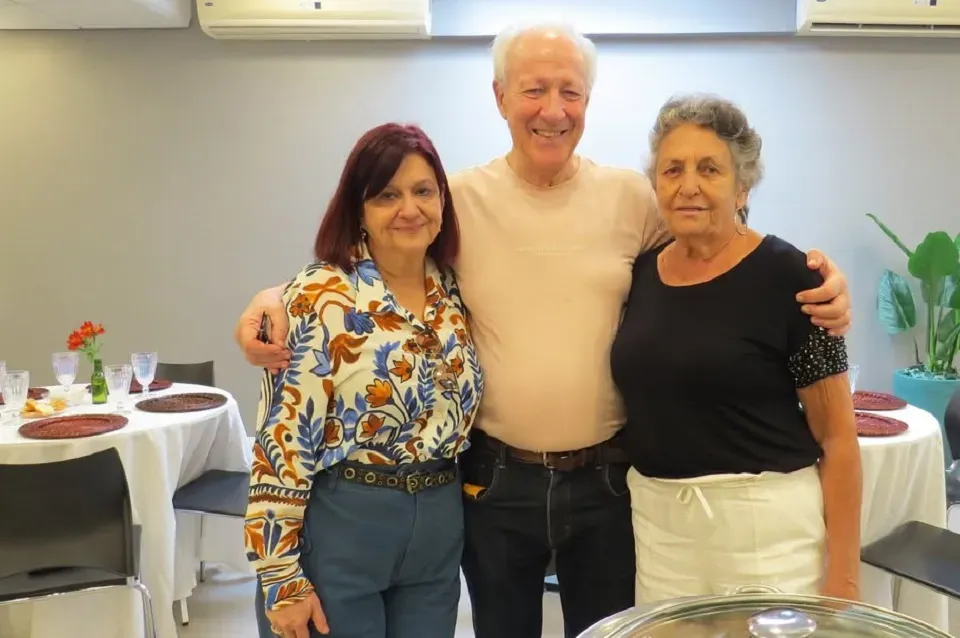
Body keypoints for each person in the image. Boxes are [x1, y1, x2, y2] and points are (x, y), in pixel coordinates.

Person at [235, 22, 853, 638]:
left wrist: (820, 276)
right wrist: (274, 300)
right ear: (501, 97)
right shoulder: (456, 200)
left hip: (609, 483)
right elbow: (376, 263)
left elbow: (716, 249)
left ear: (587, 101)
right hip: (495, 482)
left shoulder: (633, 197)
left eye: (569, 92)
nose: (552, 110)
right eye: (534, 90)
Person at [610, 94, 862, 603]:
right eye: (672, 170)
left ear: (742, 186)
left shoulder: (793, 277)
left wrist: (845, 579)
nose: (688, 185)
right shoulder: (642, 274)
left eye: (709, 169)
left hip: (766, 535)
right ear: (656, 184)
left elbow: (838, 438)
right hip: (661, 534)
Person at [244, 122, 484, 638]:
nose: (409, 209)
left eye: (423, 191)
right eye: (387, 195)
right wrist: (279, 576)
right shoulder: (321, 296)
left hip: (439, 521)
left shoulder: (453, 291)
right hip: (345, 519)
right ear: (358, 210)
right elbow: (282, 440)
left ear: (443, 201)